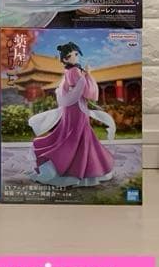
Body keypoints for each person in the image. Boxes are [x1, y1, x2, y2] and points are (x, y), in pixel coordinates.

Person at [28, 42, 115, 187]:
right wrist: (88, 74)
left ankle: (78, 167)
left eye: (76, 54)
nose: (75, 57)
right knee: (79, 135)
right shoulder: (74, 71)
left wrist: (85, 75)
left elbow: (78, 88)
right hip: (77, 108)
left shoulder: (69, 71)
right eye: (71, 56)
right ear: (65, 59)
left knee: (74, 134)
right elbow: (87, 91)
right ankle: (81, 169)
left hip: (72, 107)